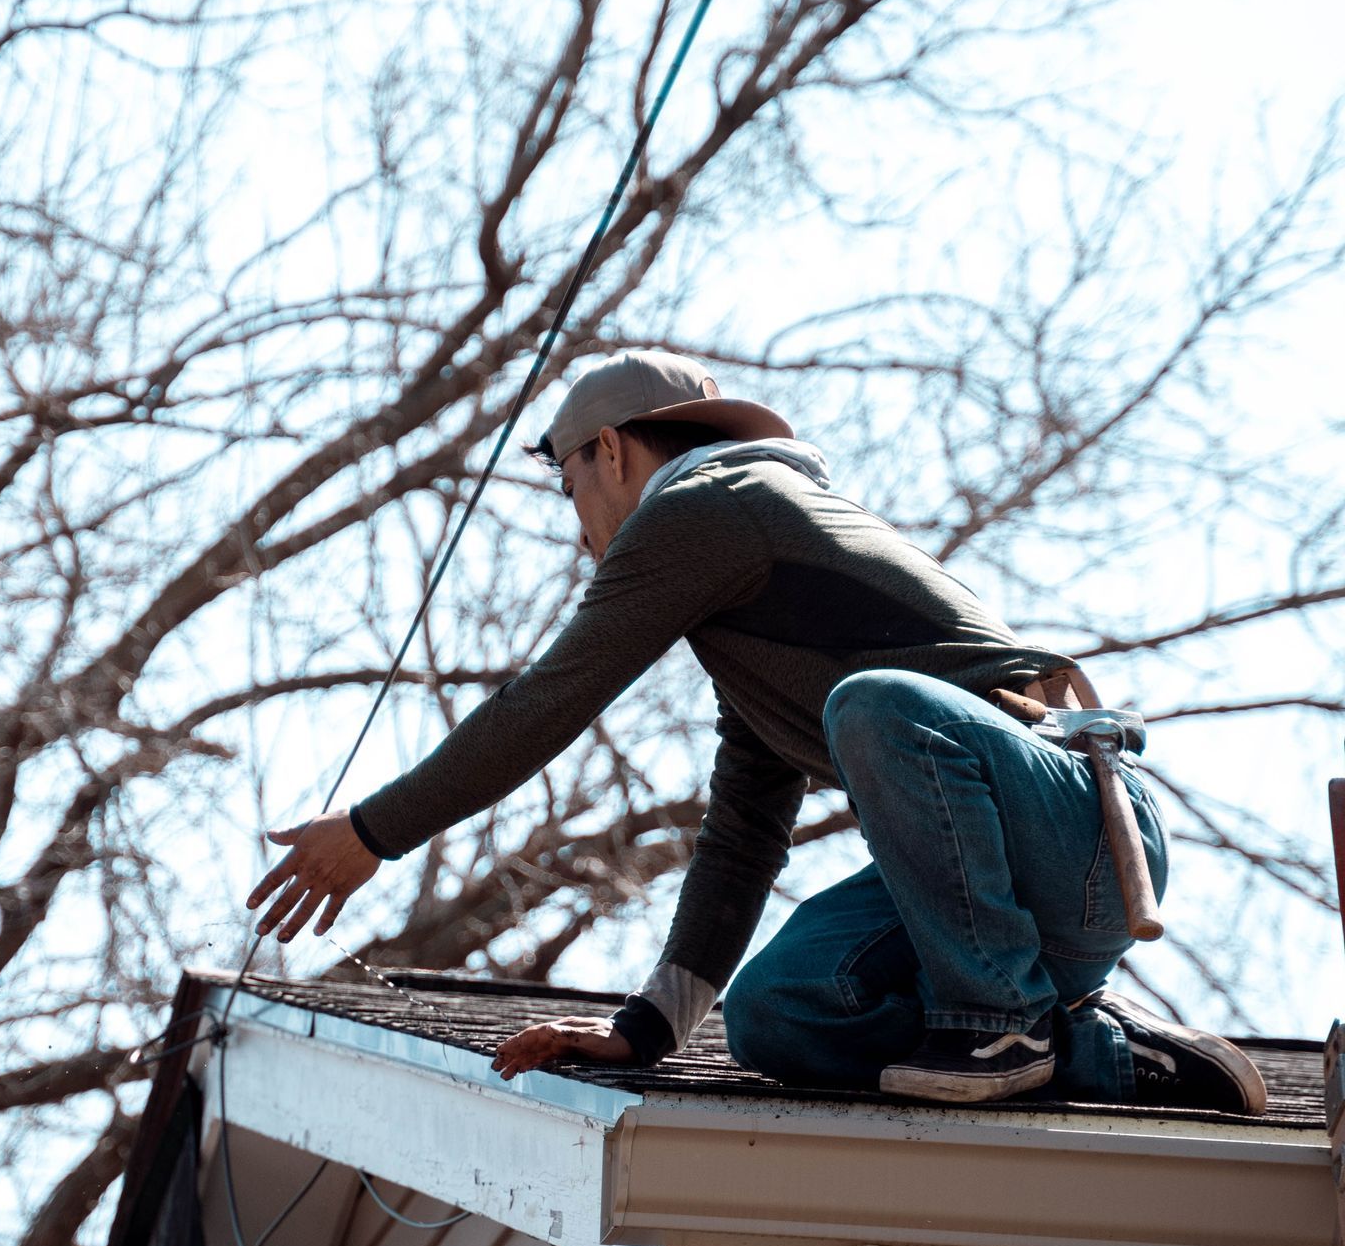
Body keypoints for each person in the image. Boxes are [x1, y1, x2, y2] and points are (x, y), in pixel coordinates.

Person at [246, 349, 1266, 1113]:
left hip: (1081, 831)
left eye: (570, 488)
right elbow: (740, 843)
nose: (579, 529)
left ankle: (998, 1030)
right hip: (998, 898)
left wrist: (374, 831)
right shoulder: (761, 632)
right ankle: (1097, 1051)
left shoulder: (712, 503)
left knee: (878, 705)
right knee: (775, 1013)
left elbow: (548, 701)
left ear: (609, 450)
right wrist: (645, 1030)